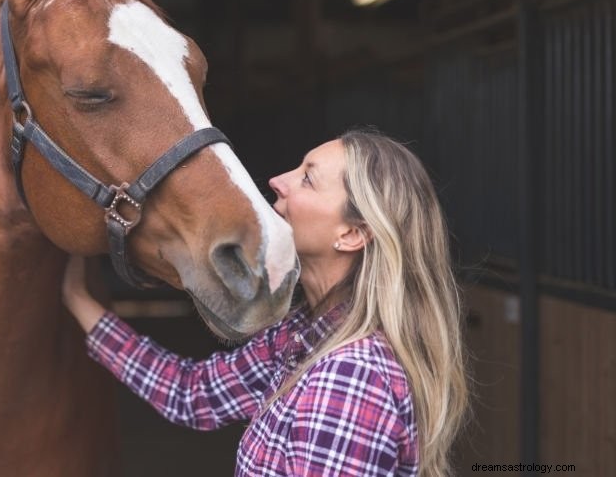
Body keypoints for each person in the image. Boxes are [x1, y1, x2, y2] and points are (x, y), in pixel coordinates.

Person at [62, 128, 469, 477]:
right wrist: (80, 299)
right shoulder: (302, 335)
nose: (277, 179)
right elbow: (194, 393)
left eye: (308, 179)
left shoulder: (349, 378)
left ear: (351, 235)